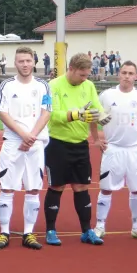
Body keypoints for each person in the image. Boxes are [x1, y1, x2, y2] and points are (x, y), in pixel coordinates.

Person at [43, 53, 112, 246]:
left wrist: (102, 116)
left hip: (80, 144)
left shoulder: (88, 85)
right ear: (71, 68)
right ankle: (50, 230)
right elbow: (52, 115)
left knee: (81, 187)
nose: (85, 78)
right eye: (82, 75)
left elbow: (96, 107)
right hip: (57, 143)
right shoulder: (54, 85)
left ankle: (86, 231)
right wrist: (76, 114)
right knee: (57, 186)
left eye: (87, 75)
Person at [0, 46, 52, 250]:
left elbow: (46, 112)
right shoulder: (6, 85)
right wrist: (23, 135)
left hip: (35, 145)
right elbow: (2, 113)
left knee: (33, 188)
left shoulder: (43, 85)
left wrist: (32, 136)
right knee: (7, 187)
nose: (25, 64)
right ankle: (4, 232)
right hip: (13, 143)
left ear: (34, 62)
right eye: (21, 61)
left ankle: (28, 233)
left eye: (28, 60)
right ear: (15, 63)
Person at [91, 61, 137, 241]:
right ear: (119, 74)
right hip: (113, 149)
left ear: (136, 76)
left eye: (130, 73)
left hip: (135, 151)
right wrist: (96, 139)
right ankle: (100, 225)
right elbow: (94, 117)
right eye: (124, 72)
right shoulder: (107, 95)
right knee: (106, 188)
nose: (127, 76)